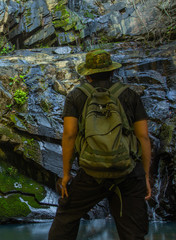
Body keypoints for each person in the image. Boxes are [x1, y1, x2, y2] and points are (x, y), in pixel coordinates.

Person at [48, 49, 152, 240]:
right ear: (112, 72)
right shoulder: (129, 95)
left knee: (66, 219)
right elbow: (144, 137)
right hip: (127, 173)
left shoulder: (76, 96)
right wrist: (145, 175)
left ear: (87, 75)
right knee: (133, 232)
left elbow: (69, 135)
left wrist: (65, 174)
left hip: (90, 172)